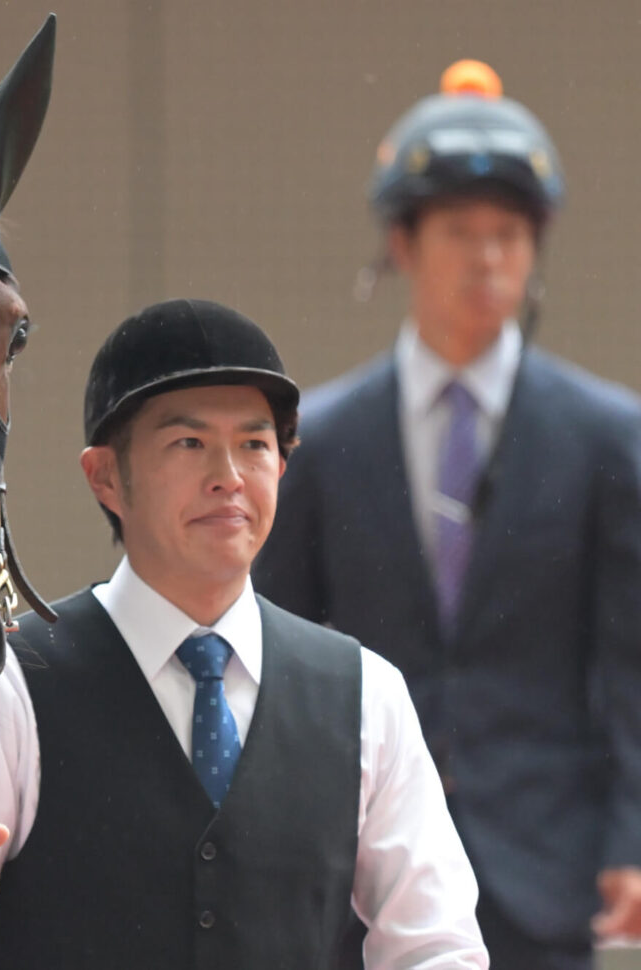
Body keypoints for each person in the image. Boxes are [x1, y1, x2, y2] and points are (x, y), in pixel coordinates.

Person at [0, 298, 488, 968]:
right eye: (189, 444)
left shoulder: (366, 694)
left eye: (254, 444)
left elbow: (437, 944)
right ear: (105, 477)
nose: (229, 478)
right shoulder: (9, 683)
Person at [253, 60, 641, 970]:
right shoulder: (317, 437)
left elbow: (632, 660)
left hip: (545, 860)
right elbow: (278, 645)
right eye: (461, 232)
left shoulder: (608, 438)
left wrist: (633, 835)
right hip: (351, 858)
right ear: (401, 242)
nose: (489, 258)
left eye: (510, 233)